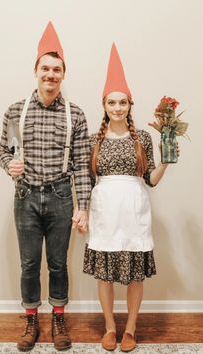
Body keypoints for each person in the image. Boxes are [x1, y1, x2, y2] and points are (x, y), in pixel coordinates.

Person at [0, 21, 91, 352]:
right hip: (24, 197)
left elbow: (81, 164)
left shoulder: (75, 115)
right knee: (28, 264)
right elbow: (4, 152)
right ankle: (30, 321)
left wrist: (83, 207)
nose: (51, 74)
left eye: (57, 69)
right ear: (36, 70)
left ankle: (58, 318)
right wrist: (9, 165)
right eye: (45, 68)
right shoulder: (15, 111)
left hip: (60, 197)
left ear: (64, 74)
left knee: (57, 263)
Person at [83, 43, 176, 352]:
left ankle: (131, 329)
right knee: (105, 273)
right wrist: (80, 210)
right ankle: (110, 328)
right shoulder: (93, 140)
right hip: (105, 211)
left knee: (136, 272)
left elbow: (150, 180)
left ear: (130, 104)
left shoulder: (142, 138)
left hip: (134, 210)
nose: (117, 108)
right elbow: (85, 178)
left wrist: (164, 161)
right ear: (104, 105)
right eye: (112, 102)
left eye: (122, 102)